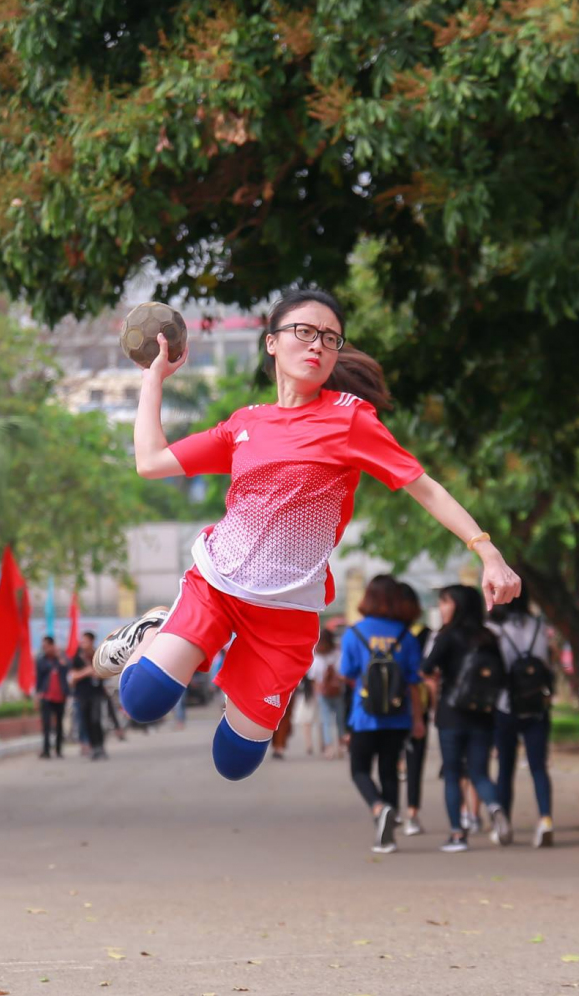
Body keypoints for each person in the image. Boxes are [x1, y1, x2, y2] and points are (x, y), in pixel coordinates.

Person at [88, 287, 521, 787]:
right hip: (217, 585)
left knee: (235, 761)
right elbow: (151, 461)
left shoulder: (350, 419)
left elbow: (423, 487)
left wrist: (486, 550)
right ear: (271, 342)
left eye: (330, 337)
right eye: (304, 331)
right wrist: (152, 379)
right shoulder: (245, 424)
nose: (317, 344)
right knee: (143, 700)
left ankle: (231, 678)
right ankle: (151, 632)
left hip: (286, 615)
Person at [339, 575, 424, 853]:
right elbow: (414, 682)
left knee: (359, 770)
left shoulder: (355, 633)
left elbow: (347, 673)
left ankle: (378, 808)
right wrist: (418, 719)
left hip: (364, 716)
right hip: (398, 716)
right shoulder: (406, 636)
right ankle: (388, 837)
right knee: (389, 772)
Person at [423, 584, 511, 852]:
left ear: (458, 605)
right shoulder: (488, 637)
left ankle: (457, 835)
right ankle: (494, 806)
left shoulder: (447, 636)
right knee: (479, 772)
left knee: (452, 774)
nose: (441, 608)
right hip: (482, 715)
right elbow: (502, 676)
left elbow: (426, 667)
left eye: (445, 602)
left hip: (451, 714)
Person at [488, 593, 555, 847]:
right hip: (537, 705)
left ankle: (504, 824)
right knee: (538, 767)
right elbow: (546, 662)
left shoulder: (495, 629)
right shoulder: (539, 625)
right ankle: (545, 819)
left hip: (505, 704)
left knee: (505, 768)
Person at [397, 582, 432, 836]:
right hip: (418, 702)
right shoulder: (424, 634)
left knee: (390, 761)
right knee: (415, 760)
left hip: (388, 706)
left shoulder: (383, 632)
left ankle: (391, 810)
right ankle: (412, 814)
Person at [69, 632, 107, 760]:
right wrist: (86, 672)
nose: (83, 643)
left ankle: (100, 746)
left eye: (85, 641)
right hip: (82, 694)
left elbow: (106, 673)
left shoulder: (98, 655)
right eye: (82, 641)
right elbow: (73, 676)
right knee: (86, 721)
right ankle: (93, 747)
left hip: (96, 694)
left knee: (96, 720)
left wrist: (98, 674)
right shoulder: (77, 657)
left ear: (91, 642)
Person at [309, 629, 346, 758]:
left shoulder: (316, 657)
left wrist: (317, 691)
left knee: (326, 721)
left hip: (324, 693)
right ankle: (340, 746)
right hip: (337, 691)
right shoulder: (338, 655)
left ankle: (330, 748)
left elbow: (313, 678)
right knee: (339, 720)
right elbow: (343, 674)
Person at [35, 635, 70, 759]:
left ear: (52, 646)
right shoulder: (41, 660)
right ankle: (46, 750)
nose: (45, 649)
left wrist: (60, 656)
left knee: (59, 724)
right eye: (43, 647)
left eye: (46, 646)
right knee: (46, 724)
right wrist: (37, 695)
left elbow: (68, 668)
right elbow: (38, 679)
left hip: (60, 696)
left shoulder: (61, 658)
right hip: (46, 696)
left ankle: (58, 750)